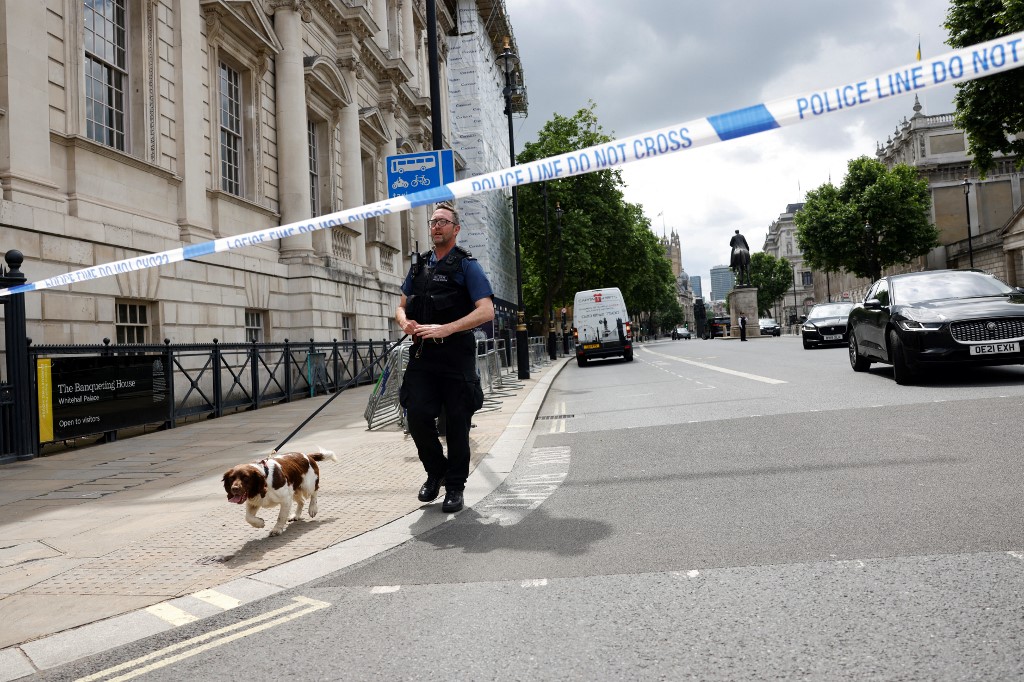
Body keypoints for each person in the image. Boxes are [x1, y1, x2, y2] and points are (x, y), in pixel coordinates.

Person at [396, 203, 494, 513]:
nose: (436, 226)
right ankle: (435, 471)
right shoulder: (419, 266)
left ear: (456, 228)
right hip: (423, 356)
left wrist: (447, 328)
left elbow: (486, 310)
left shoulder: (467, 265)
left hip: (456, 358)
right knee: (417, 417)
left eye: (443, 221)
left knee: (456, 425)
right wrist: (404, 322)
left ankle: (455, 487)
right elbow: (400, 305)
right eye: (433, 221)